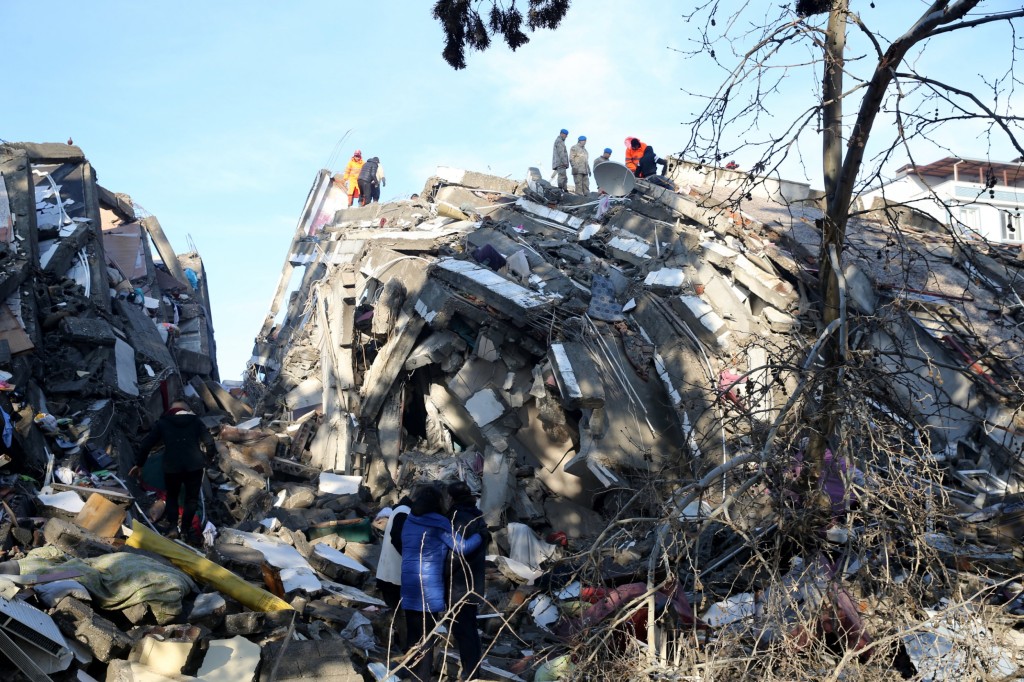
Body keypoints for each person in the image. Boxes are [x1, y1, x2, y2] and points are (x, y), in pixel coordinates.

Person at [400, 485, 483, 682]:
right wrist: (481, 534)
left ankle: (410, 675)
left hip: (409, 586)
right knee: (427, 640)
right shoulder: (439, 523)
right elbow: (462, 547)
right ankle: (422, 678)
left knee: (413, 636)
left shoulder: (409, 520)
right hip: (428, 589)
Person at [130, 400, 215, 544]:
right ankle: (186, 530)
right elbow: (210, 443)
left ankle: (173, 527)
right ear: (187, 410)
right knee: (191, 499)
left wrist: (139, 464)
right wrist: (208, 458)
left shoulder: (163, 423)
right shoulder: (195, 421)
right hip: (194, 466)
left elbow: (146, 444)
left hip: (172, 467)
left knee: (172, 497)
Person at [446, 481, 488, 681]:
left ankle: (469, 673)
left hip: (459, 584)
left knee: (463, 630)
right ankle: (472, 670)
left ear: (451, 497)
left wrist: (443, 576)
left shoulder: (457, 517)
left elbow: (455, 555)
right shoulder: (476, 515)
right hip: (474, 581)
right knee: (469, 628)